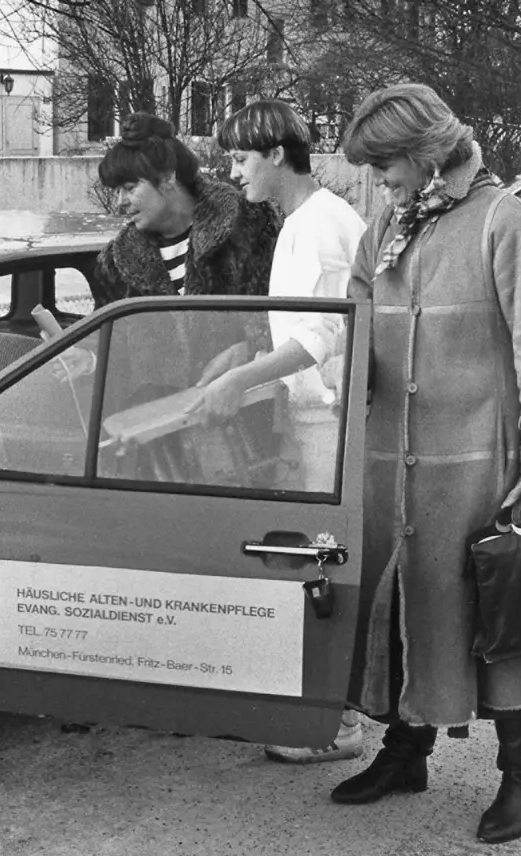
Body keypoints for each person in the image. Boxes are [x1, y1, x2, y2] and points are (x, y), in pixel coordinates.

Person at [330, 84, 521, 845]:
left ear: (423, 155)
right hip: (393, 466)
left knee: (503, 620)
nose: (375, 180)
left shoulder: (506, 223)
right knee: (401, 612)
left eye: (384, 164)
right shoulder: (387, 224)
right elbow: (357, 328)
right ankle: (405, 751)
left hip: (484, 469)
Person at [195, 97, 367, 765]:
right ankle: (327, 713)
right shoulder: (304, 220)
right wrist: (242, 362)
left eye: (240, 157)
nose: (234, 171)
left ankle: (338, 724)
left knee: (325, 566)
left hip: (328, 421)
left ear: (274, 154)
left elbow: (320, 336)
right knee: (316, 564)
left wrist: (238, 382)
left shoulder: (321, 224)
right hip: (314, 417)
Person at [92, 113, 280, 395]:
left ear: (168, 178)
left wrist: (250, 347)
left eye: (130, 188)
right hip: (157, 428)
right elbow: (116, 350)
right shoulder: (117, 264)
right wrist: (88, 360)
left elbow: (286, 316)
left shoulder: (247, 224)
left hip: (245, 416)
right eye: (117, 191)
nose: (120, 203)